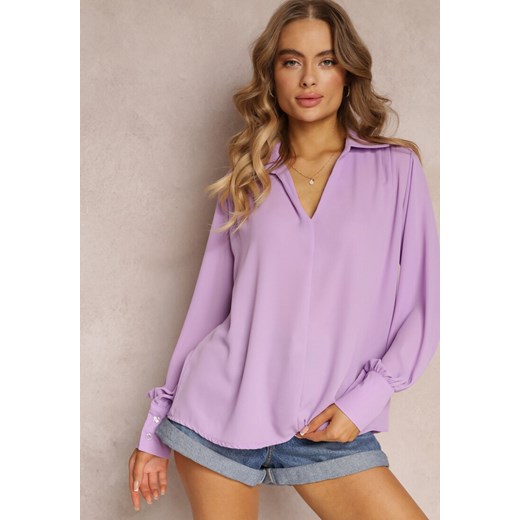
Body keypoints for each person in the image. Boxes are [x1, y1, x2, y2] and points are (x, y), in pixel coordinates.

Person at [128, 0, 439, 518]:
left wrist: (364, 402)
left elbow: (423, 309)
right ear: (272, 76)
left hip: (329, 425)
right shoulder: (247, 178)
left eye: (326, 60)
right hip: (218, 419)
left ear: (348, 72)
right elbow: (206, 311)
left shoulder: (396, 171)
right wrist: (154, 430)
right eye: (292, 61)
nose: (309, 78)